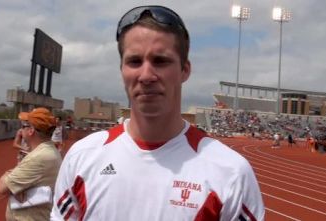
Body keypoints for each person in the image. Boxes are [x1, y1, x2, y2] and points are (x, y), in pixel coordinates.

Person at [51, 5, 264, 221]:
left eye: (160, 61)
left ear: (185, 70)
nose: (146, 75)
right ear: (122, 70)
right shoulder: (82, 157)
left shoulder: (231, 173)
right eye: (134, 61)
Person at [0, 107, 62, 221]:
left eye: (23, 126)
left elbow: (3, 187)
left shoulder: (38, 157)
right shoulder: (49, 151)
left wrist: (7, 174)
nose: (21, 129)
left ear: (31, 130)